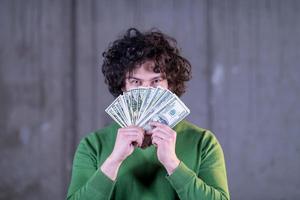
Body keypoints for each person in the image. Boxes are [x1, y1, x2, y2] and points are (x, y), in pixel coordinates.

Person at [66, 28, 230, 200]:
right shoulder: (93, 145)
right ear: (123, 86)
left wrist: (173, 164)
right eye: (136, 81)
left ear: (170, 85)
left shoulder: (203, 142)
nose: (146, 91)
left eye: (156, 81)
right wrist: (114, 160)